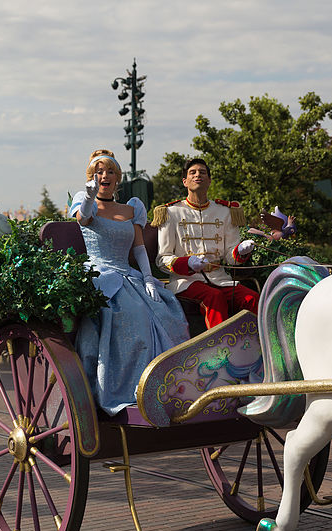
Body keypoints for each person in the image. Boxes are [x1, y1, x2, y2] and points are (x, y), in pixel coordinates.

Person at [69, 149, 190, 416]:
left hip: (129, 274)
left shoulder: (131, 207)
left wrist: (148, 277)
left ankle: (167, 385)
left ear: (118, 178)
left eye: (110, 171)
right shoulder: (83, 200)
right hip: (99, 274)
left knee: (167, 310)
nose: (105, 176)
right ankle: (131, 389)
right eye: (99, 172)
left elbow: (137, 248)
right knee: (132, 316)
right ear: (91, 177)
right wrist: (89, 196)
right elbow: (84, 219)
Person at [154, 158, 258, 329]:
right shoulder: (170, 213)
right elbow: (163, 259)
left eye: (202, 172)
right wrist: (186, 263)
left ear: (209, 181)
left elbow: (231, 257)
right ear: (185, 181)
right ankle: (221, 350)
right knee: (214, 297)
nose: (198, 175)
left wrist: (240, 251)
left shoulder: (226, 211)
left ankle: (260, 348)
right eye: (192, 172)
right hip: (185, 281)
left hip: (220, 279)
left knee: (252, 299)